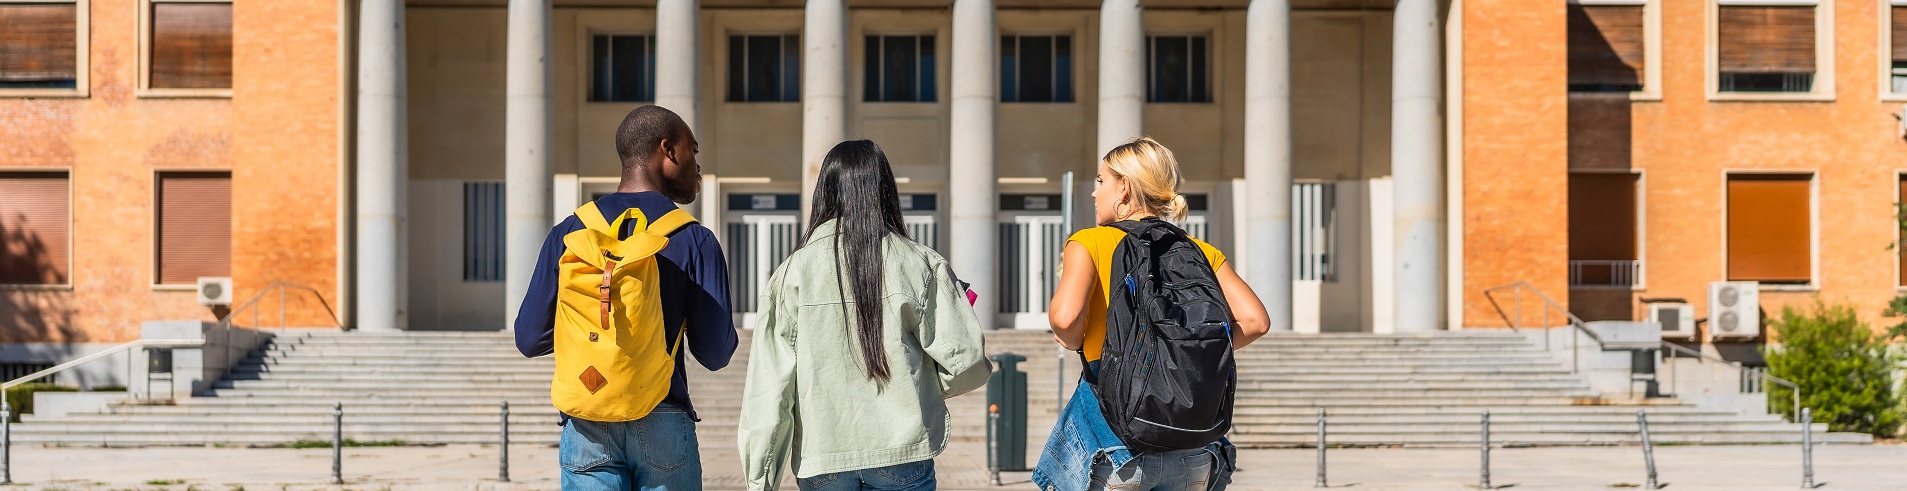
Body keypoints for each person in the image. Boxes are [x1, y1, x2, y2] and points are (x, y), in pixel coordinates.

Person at [737, 140, 992, 491]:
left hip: (822, 456)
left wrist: (760, 480)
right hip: (901, 452)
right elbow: (969, 364)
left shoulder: (791, 273)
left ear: (825, 192)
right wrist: (917, 386)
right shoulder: (920, 263)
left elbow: (769, 389)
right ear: (885, 190)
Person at [514, 105, 738, 490]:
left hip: (587, 416)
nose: (697, 165)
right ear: (667, 150)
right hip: (663, 414)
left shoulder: (569, 232)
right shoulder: (694, 238)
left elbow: (529, 339)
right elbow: (715, 354)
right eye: (693, 151)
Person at [1035, 137, 1271, 491]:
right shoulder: (1201, 251)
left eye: (1101, 181)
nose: (1094, 193)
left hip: (1116, 446)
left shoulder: (1090, 242)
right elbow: (1256, 322)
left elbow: (1066, 321)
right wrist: (1177, 351)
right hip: (1194, 452)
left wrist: (1075, 340)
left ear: (1124, 188)